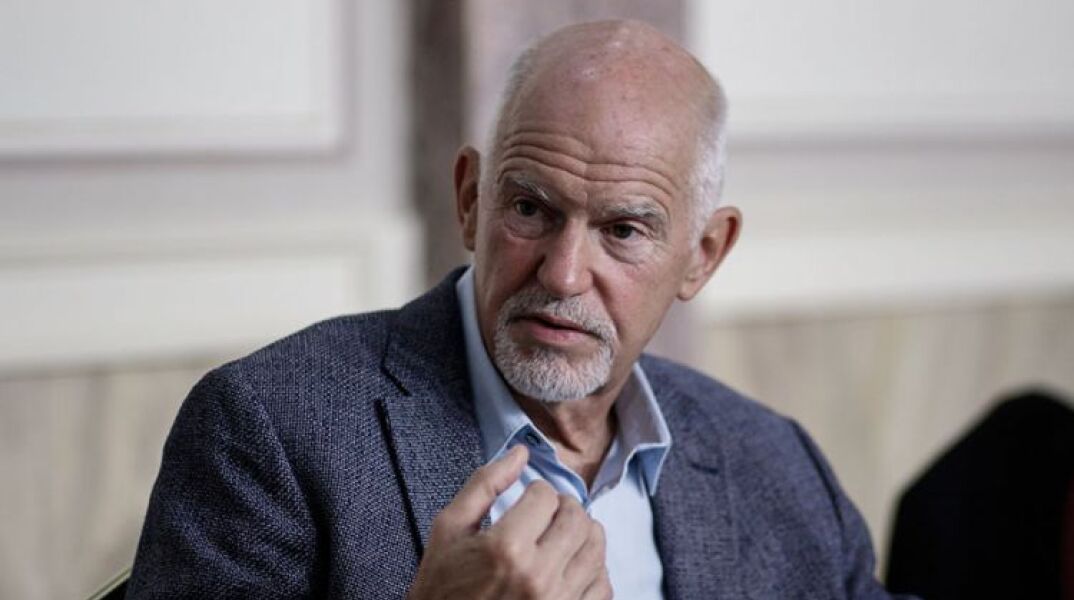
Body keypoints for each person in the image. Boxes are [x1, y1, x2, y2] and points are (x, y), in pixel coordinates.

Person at [128, 20, 910, 599]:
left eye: (623, 231)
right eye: (531, 209)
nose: (563, 275)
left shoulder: (776, 465)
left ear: (703, 254)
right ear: (471, 199)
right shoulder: (270, 430)